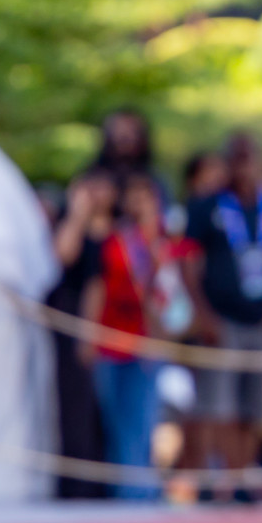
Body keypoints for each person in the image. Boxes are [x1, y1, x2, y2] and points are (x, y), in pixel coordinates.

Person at [185, 133, 262, 502]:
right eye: (236, 160)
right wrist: (203, 314)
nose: (244, 168)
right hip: (223, 319)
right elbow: (187, 260)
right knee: (219, 403)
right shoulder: (207, 206)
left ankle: (242, 480)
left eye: (249, 159)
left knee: (255, 404)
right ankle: (221, 480)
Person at [83, 173, 196, 499]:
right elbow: (99, 286)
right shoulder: (115, 239)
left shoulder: (166, 243)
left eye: (145, 196)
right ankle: (125, 489)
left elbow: (172, 292)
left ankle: (140, 492)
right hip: (112, 339)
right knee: (117, 419)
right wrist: (89, 335)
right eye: (132, 196)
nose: (138, 203)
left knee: (144, 417)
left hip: (149, 340)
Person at [46, 170, 117, 499]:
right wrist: (77, 213)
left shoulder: (119, 231)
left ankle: (104, 481)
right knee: (74, 401)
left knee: (104, 404)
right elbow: (64, 254)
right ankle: (77, 484)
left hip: (110, 322)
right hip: (74, 318)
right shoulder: (74, 225)